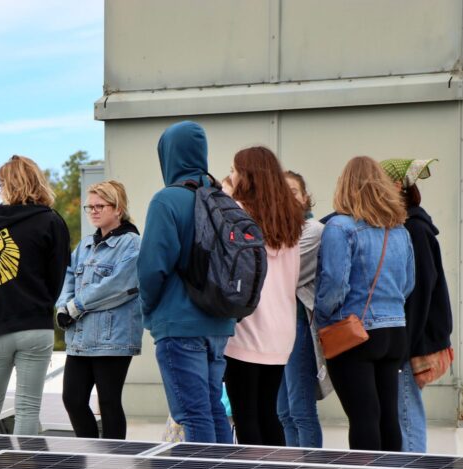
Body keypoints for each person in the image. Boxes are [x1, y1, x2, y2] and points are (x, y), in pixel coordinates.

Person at [137, 120, 235, 444]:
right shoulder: (222, 199)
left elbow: (152, 267)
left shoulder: (167, 200)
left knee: (191, 414)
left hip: (179, 324)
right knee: (212, 408)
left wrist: (148, 311)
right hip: (219, 324)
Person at [315, 156, 415, 451]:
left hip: (354, 332)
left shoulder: (340, 227)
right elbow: (408, 284)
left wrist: (322, 315)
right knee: (387, 417)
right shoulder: (399, 230)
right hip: (395, 330)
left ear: (344, 186)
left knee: (363, 418)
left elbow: (335, 283)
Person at [0, 155, 70, 435]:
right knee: (27, 409)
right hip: (35, 324)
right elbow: (58, 276)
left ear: (9, 185)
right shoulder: (51, 221)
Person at [222, 147, 304, 446]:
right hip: (281, 329)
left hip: (248, 327)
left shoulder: (238, 211)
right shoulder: (291, 217)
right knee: (268, 412)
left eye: (233, 169)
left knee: (246, 416)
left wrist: (224, 191)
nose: (230, 175)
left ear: (247, 175)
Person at [55, 180, 142, 439]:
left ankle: (114, 461)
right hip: (80, 337)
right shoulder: (84, 245)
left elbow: (118, 286)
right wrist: (63, 306)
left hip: (112, 338)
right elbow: (68, 277)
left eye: (100, 206)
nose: (93, 211)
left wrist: (75, 306)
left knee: (108, 402)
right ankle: (90, 452)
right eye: (89, 207)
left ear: (118, 208)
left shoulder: (132, 244)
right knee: (72, 398)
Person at [380, 158, 453, 453]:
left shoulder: (414, 230)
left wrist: (405, 346)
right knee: (403, 409)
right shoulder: (411, 227)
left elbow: (421, 291)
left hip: (413, 340)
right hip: (413, 337)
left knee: (406, 412)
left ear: (396, 187)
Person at [276, 170, 328, 447]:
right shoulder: (278, 233)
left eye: (294, 191)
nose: (289, 197)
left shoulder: (314, 231)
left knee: (300, 409)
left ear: (305, 197)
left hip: (300, 327)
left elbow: (285, 275)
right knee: (283, 412)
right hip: (277, 328)